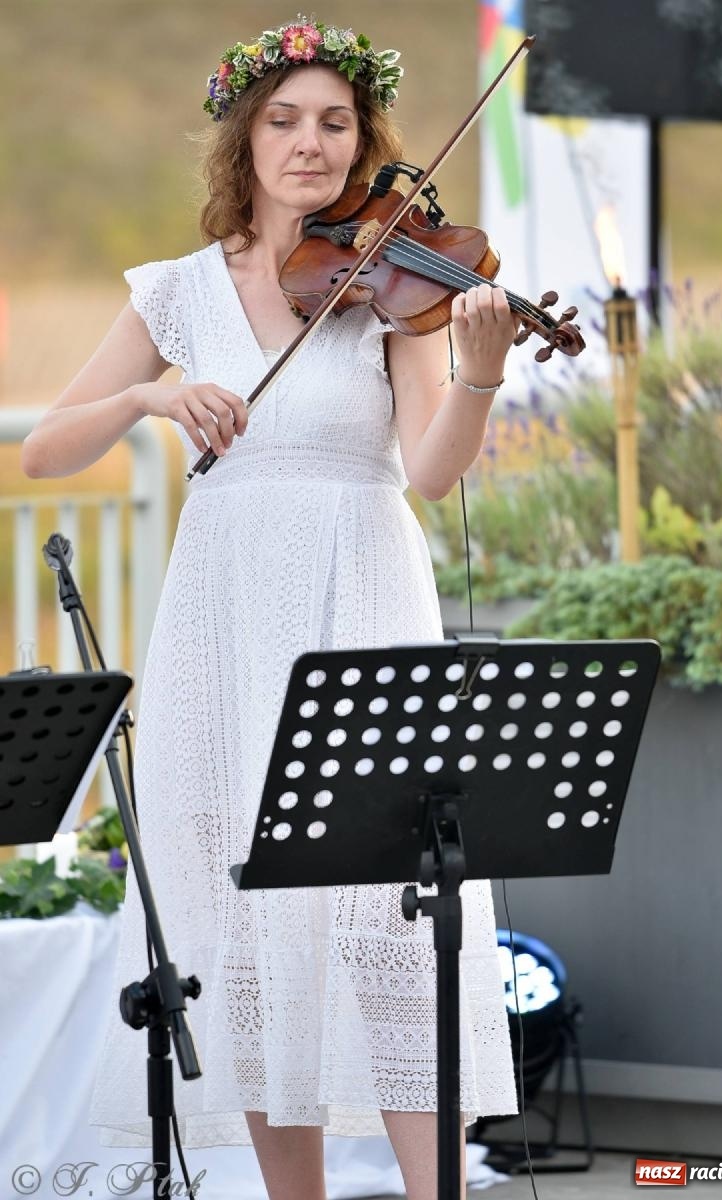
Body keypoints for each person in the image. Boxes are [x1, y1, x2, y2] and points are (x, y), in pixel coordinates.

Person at [22, 19, 518, 1200]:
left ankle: (431, 1191)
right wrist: (150, 389)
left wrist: (482, 373)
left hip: (364, 604)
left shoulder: (396, 289)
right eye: (284, 120)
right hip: (227, 629)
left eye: (333, 124)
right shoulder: (179, 292)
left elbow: (432, 470)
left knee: (397, 926)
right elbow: (44, 448)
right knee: (247, 932)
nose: (307, 143)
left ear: (364, 143)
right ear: (243, 137)